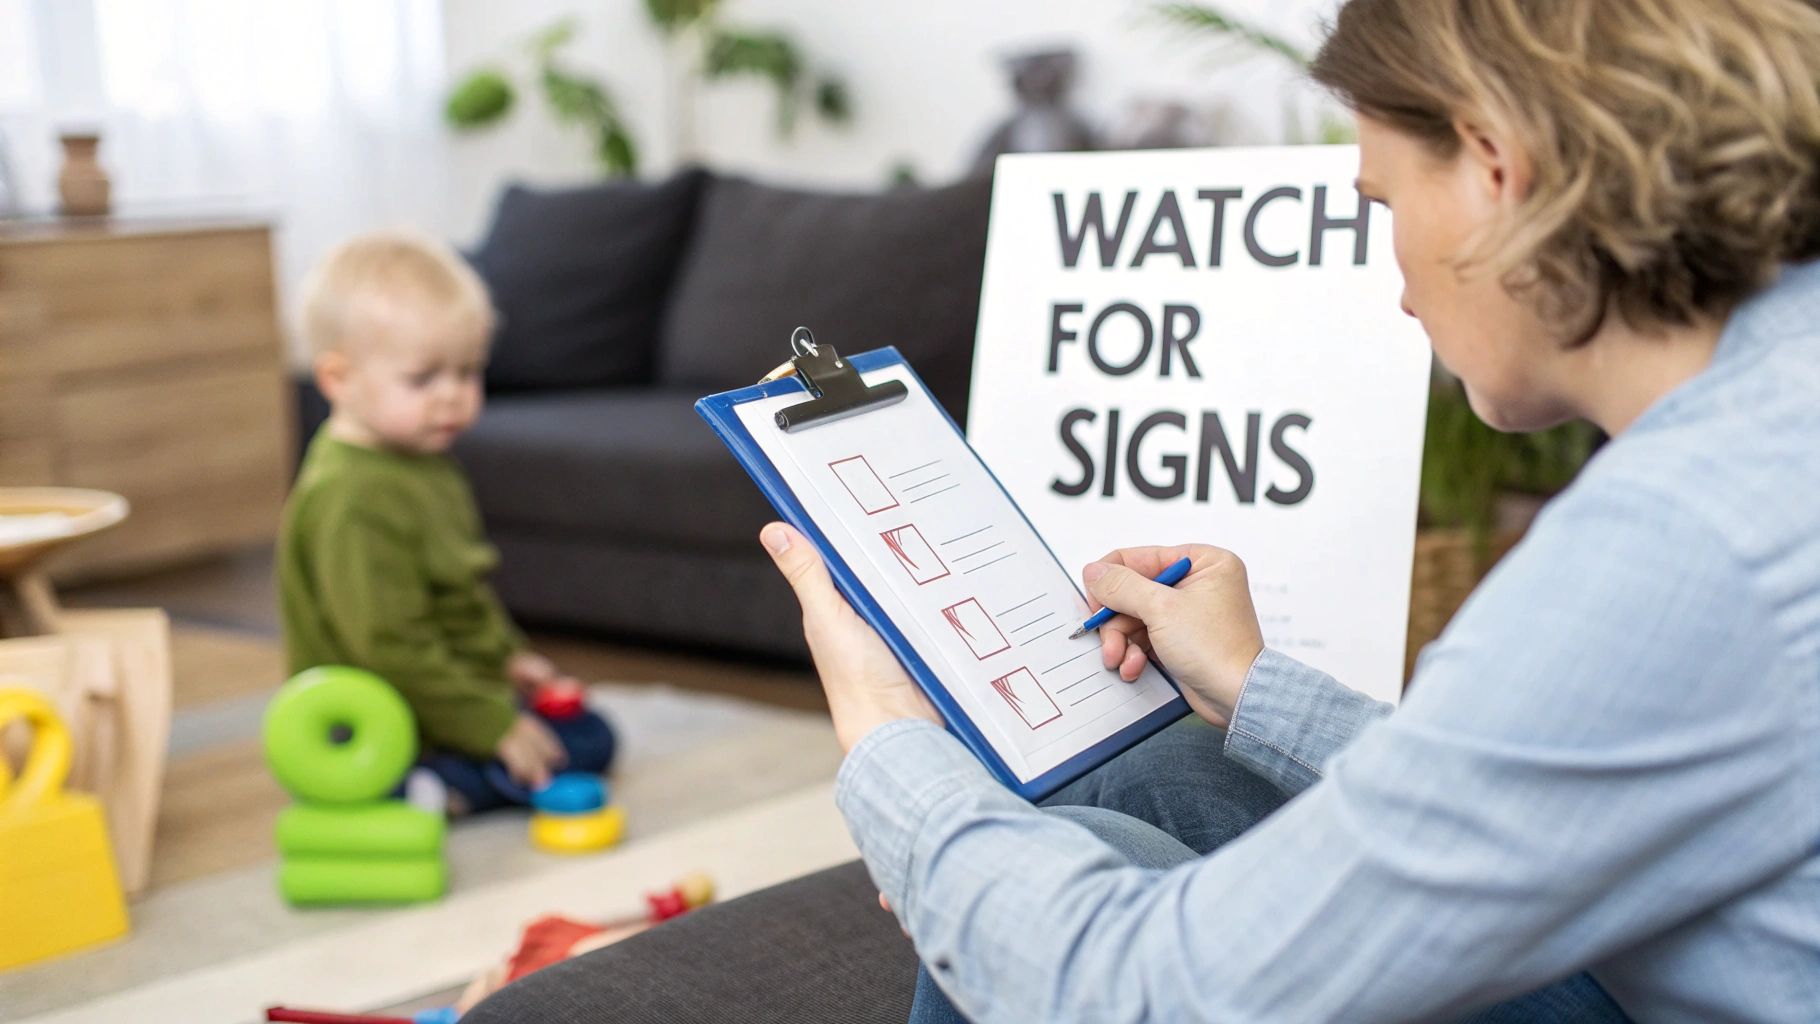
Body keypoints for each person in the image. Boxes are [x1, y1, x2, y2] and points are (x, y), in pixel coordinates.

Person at [469, 0, 1820, 1019]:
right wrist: (1251, 682)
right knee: (1129, 766)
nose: (1389, 271)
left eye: (1381, 203)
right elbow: (1536, 798)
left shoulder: (1683, 535)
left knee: (1057, 854)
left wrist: (888, 749)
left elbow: (1138, 990)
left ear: (1493, 167)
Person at [279, 231, 615, 815]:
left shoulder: (422, 461)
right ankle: (421, 786)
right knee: (556, 752)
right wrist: (492, 726)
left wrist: (509, 658)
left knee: (593, 737)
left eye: (467, 373)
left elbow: (462, 593)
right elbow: (389, 648)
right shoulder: (352, 498)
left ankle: (456, 776)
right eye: (423, 379)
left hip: (445, 693)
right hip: (383, 716)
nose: (453, 398)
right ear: (338, 379)